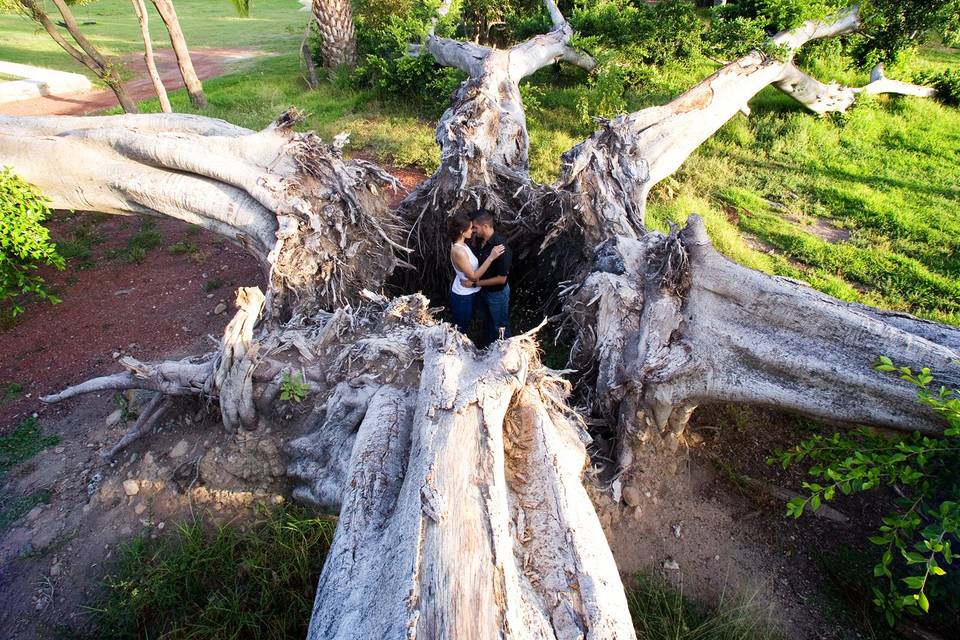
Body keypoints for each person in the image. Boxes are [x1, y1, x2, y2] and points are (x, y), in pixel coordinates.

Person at [448, 212, 505, 334]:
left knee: (465, 324)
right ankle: (452, 350)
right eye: (470, 228)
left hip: (470, 292)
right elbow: (473, 277)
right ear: (462, 232)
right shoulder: (459, 251)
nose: (472, 231)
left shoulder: (463, 244)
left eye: (474, 228)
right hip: (463, 296)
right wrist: (491, 257)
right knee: (459, 329)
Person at [464, 210, 512, 348]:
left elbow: (501, 279)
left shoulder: (501, 248)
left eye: (475, 227)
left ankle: (505, 350)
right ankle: (489, 346)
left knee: (501, 324)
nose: (472, 231)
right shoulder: (480, 241)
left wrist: (475, 283)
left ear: (485, 226)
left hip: (497, 294)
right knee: (488, 321)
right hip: (484, 291)